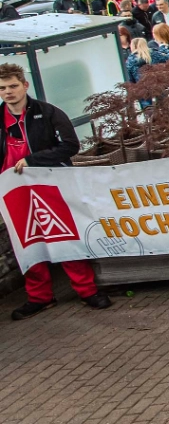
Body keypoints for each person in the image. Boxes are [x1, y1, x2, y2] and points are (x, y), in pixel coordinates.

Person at [4, 64, 109, 319]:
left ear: (25, 85)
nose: (8, 92)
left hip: (49, 184)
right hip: (12, 190)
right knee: (27, 242)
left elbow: (71, 146)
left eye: (13, 86)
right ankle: (39, 297)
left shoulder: (49, 112)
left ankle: (86, 290)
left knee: (64, 235)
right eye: (2, 88)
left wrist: (33, 160)